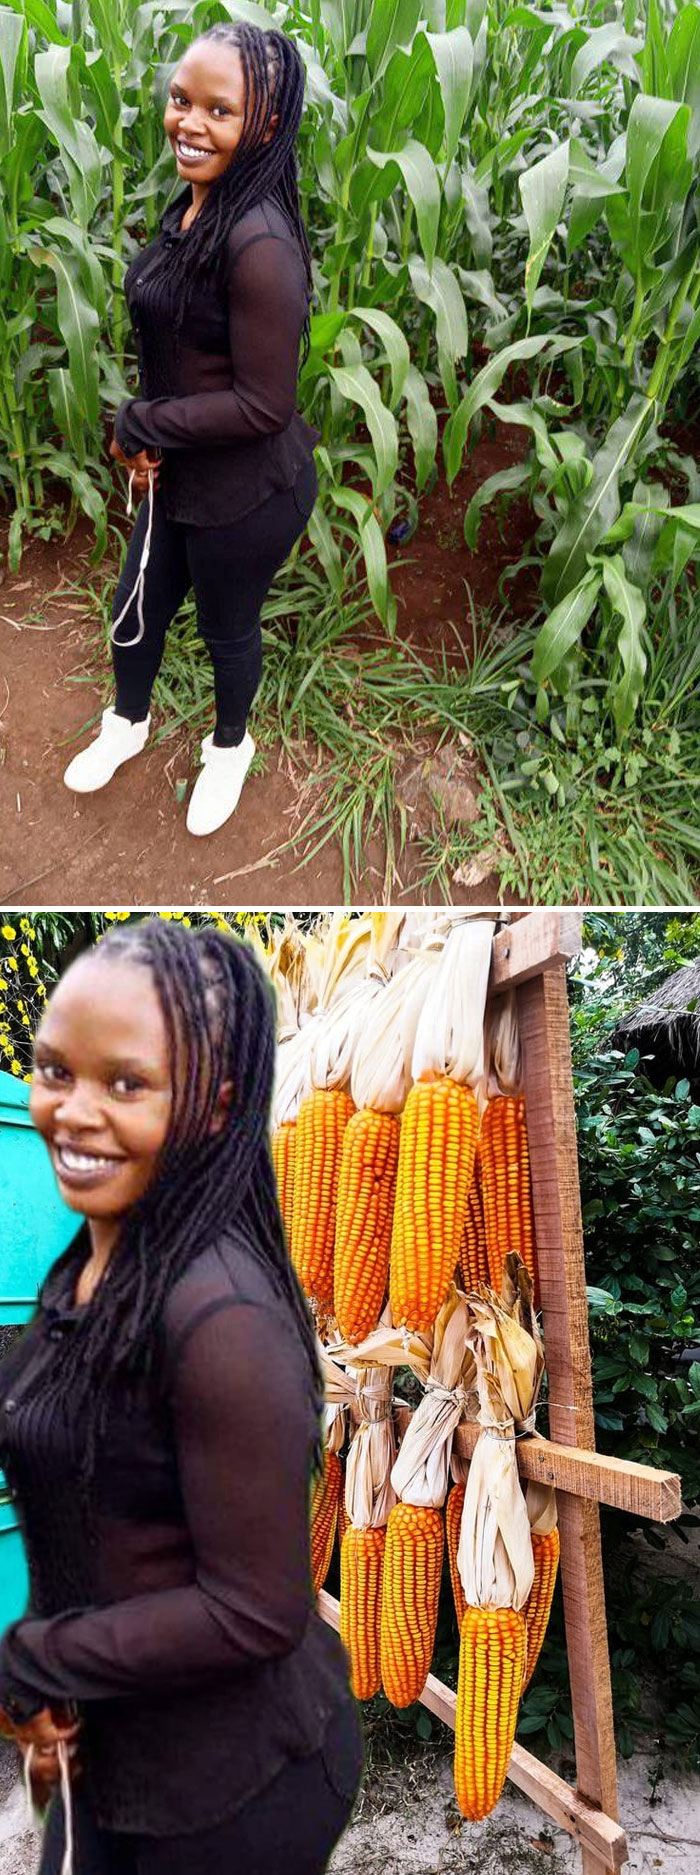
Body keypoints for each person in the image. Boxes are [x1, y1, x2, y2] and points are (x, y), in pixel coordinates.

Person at [0, 920, 363, 1875]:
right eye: (55, 1070)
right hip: (117, 1763)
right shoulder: (98, 1256)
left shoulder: (223, 1318)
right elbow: (64, 1421)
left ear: (214, 1106)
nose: (73, 1112)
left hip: (230, 1792)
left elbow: (256, 1608)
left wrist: (39, 1654)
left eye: (126, 1084)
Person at [63, 24, 321, 838]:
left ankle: (230, 747)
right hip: (174, 471)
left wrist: (142, 419)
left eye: (220, 109)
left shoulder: (261, 243)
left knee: (225, 627)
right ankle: (127, 722)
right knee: (135, 599)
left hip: (245, 492)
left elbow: (262, 405)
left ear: (267, 125)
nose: (189, 123)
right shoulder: (201, 201)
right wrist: (153, 439)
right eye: (181, 100)